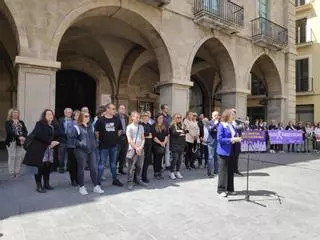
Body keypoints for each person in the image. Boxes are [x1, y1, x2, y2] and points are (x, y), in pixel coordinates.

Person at [23, 109, 60, 193]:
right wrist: (50, 142)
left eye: (52, 114)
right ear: (44, 116)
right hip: (40, 149)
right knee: (39, 168)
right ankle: (39, 186)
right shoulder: (40, 123)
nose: (51, 115)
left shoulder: (55, 125)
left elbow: (59, 135)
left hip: (50, 149)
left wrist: (57, 141)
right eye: (48, 114)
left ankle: (46, 184)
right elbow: (38, 135)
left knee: (47, 167)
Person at [72, 112, 104, 195]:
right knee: (81, 169)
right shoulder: (76, 127)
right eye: (86, 116)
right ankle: (81, 187)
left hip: (91, 151)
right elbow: (73, 140)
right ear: (81, 117)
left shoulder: (91, 127)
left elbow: (95, 137)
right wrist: (82, 144)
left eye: (89, 116)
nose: (88, 117)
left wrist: (96, 143)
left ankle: (96, 186)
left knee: (93, 169)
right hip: (81, 151)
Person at [95, 103, 123, 187]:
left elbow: (119, 130)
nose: (114, 110)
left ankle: (115, 180)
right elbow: (97, 133)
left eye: (114, 108)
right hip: (103, 146)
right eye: (113, 109)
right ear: (107, 109)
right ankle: (98, 181)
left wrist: (114, 138)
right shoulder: (100, 120)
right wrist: (103, 139)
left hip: (114, 146)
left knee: (113, 164)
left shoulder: (117, 119)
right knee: (102, 164)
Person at [217, 109, 242, 197]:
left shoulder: (232, 125)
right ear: (227, 115)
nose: (233, 116)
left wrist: (238, 138)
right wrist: (232, 139)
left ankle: (230, 189)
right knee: (223, 171)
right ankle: (221, 189)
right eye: (232, 115)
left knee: (230, 170)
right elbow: (219, 139)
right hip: (224, 151)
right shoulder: (221, 125)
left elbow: (234, 135)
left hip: (232, 150)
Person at [126, 111, 147, 190]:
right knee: (131, 167)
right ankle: (130, 182)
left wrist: (141, 147)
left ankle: (138, 180)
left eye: (139, 117)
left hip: (141, 149)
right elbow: (129, 140)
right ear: (132, 117)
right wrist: (136, 148)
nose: (138, 119)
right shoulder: (129, 127)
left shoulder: (141, 127)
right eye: (136, 117)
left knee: (139, 166)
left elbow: (143, 138)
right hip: (132, 149)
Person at [5, 108, 28, 178]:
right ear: (11, 114)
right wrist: (19, 137)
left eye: (17, 112)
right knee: (12, 157)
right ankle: (11, 173)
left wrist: (23, 137)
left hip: (20, 141)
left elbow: (25, 131)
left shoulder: (21, 122)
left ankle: (17, 172)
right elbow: (9, 132)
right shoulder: (8, 122)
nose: (15, 114)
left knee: (19, 157)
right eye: (14, 112)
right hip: (11, 141)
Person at [169, 113, 186, 180]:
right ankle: (172, 172)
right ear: (174, 118)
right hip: (174, 145)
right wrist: (181, 132)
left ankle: (178, 171)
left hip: (181, 144)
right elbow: (174, 133)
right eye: (177, 117)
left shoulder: (182, 125)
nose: (179, 118)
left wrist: (180, 132)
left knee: (180, 159)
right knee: (175, 159)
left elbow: (186, 131)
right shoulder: (172, 125)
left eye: (180, 117)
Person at [152, 114, 169, 179]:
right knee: (156, 159)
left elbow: (166, 135)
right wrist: (160, 143)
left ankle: (159, 172)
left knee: (160, 159)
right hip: (156, 144)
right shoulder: (153, 126)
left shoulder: (164, 126)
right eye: (160, 118)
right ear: (157, 119)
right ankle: (156, 172)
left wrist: (164, 142)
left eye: (162, 118)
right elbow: (154, 137)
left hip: (163, 144)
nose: (161, 119)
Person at [66, 110, 80, 186]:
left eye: (79, 115)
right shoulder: (70, 123)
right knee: (72, 164)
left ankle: (78, 178)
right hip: (71, 146)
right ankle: (73, 179)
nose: (78, 116)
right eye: (77, 115)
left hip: (80, 147)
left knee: (79, 164)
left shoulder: (82, 124)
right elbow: (69, 134)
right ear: (73, 116)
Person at [58, 108, 73, 173]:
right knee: (61, 155)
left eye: (70, 112)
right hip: (63, 140)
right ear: (64, 113)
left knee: (70, 155)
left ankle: (68, 167)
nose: (69, 113)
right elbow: (59, 130)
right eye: (67, 112)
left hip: (71, 141)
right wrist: (66, 135)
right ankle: (61, 167)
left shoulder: (73, 120)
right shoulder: (61, 120)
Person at [116, 104, 129, 175]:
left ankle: (121, 169)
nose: (123, 110)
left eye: (124, 109)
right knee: (117, 154)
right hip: (118, 138)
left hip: (125, 137)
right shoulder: (115, 117)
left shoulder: (126, 117)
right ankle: (114, 170)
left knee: (123, 154)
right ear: (118, 110)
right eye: (122, 108)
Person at [140, 112, 153, 183]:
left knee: (146, 161)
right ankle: (137, 177)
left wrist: (147, 135)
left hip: (149, 145)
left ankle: (144, 176)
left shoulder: (150, 125)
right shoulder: (140, 125)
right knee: (140, 162)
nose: (147, 117)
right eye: (145, 116)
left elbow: (152, 135)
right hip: (142, 145)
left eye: (148, 116)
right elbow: (141, 135)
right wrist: (147, 135)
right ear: (142, 117)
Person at [207, 111, 220, 177]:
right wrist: (214, 125)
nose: (216, 117)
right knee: (210, 157)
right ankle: (210, 173)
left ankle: (216, 171)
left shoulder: (219, 123)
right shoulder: (209, 122)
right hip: (211, 142)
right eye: (215, 115)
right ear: (212, 116)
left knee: (216, 158)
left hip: (217, 142)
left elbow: (219, 131)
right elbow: (210, 130)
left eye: (217, 115)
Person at [231, 109, 243, 176]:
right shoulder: (228, 122)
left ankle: (236, 169)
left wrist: (241, 138)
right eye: (232, 113)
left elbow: (240, 131)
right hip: (231, 141)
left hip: (237, 142)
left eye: (235, 113)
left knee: (236, 156)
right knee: (231, 156)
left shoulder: (238, 122)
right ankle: (230, 170)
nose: (234, 115)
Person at [160, 104, 172, 170]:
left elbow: (170, 125)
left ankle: (167, 164)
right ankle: (161, 165)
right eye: (166, 108)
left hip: (168, 135)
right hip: (161, 135)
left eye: (168, 108)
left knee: (167, 151)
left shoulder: (169, 116)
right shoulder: (159, 116)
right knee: (162, 151)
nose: (167, 109)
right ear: (163, 109)